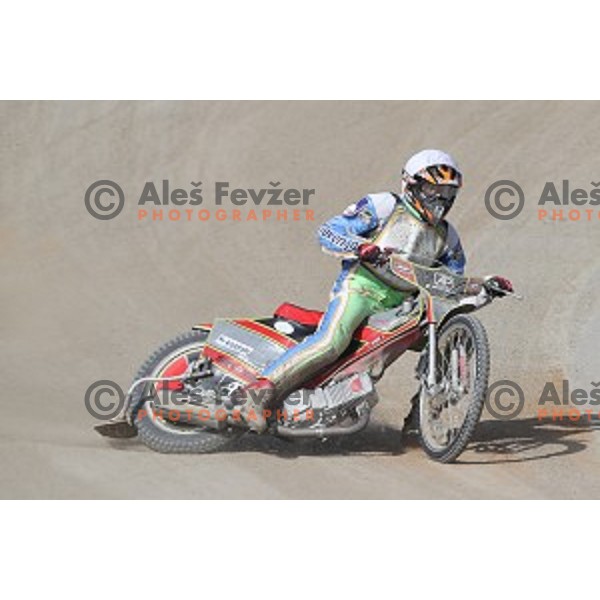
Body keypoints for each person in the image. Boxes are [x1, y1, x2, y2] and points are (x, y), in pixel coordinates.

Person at [239, 149, 512, 431]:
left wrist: (485, 285)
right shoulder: (384, 206)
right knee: (332, 342)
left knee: (447, 336)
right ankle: (259, 392)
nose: (440, 199)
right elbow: (330, 230)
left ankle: (420, 420)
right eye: (433, 189)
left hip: (400, 308)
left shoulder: (448, 237)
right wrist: (361, 247)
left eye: (446, 192)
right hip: (360, 288)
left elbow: (452, 284)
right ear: (412, 184)